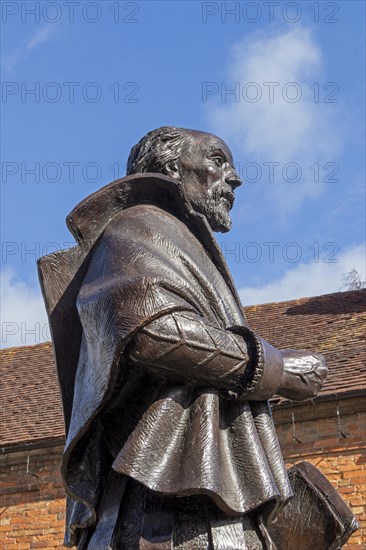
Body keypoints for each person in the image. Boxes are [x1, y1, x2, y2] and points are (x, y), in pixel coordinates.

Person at [39, 127, 327, 549]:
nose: (234, 178)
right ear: (173, 167)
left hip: (201, 510)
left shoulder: (181, 243)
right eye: (217, 160)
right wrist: (275, 369)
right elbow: (151, 334)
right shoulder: (139, 224)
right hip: (162, 512)